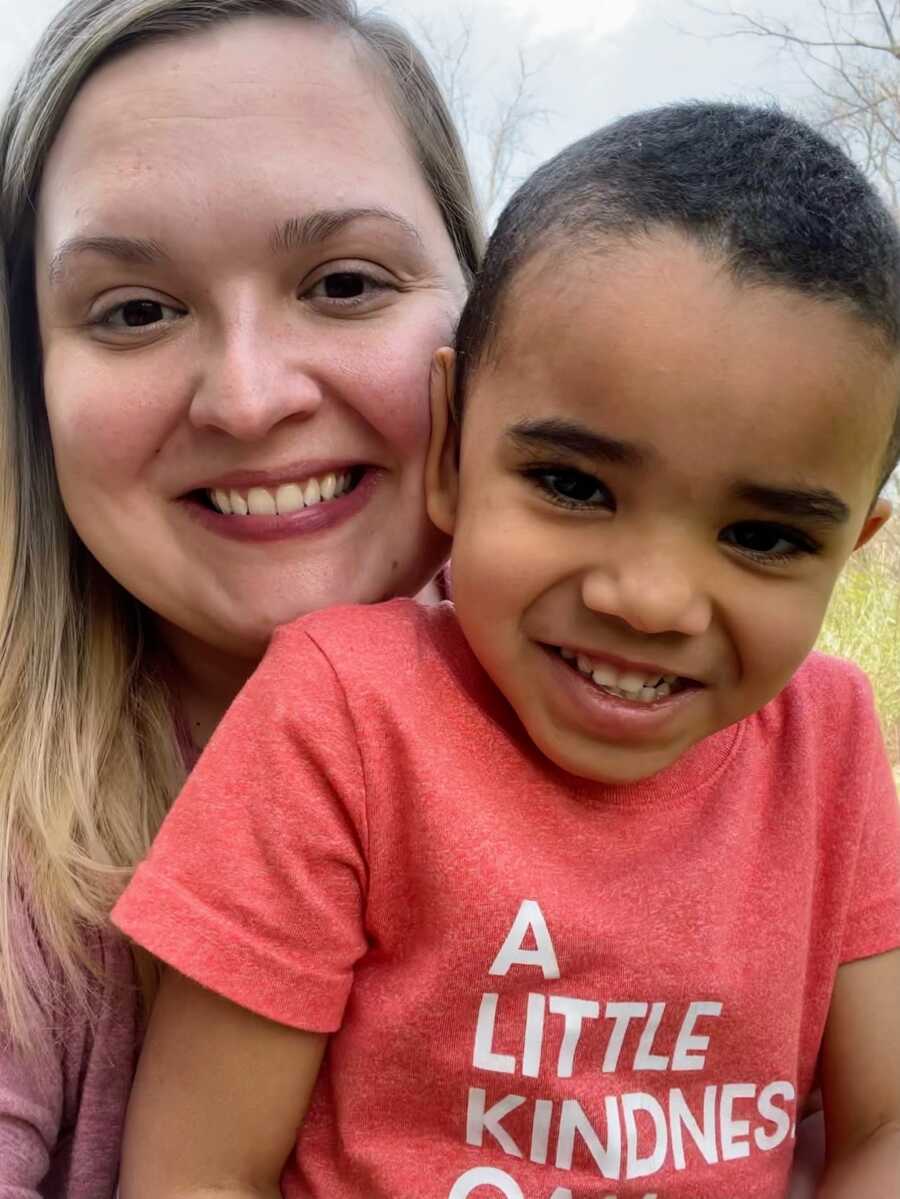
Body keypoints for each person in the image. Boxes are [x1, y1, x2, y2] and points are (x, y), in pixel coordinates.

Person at [113, 102, 900, 1199]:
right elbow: (194, 1171)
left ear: (851, 545)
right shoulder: (341, 715)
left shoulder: (828, 742)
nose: (651, 598)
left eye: (764, 537)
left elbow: (884, 1127)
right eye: (575, 485)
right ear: (450, 447)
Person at [0, 0, 482, 1193]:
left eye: (346, 282)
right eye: (135, 309)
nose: (250, 398)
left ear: (486, 316)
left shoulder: (744, 764)